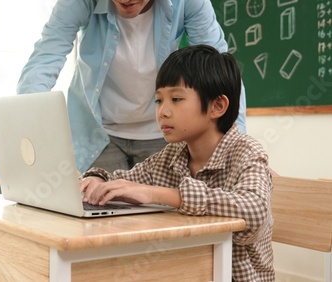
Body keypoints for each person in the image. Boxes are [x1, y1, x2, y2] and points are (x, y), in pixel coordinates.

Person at [79, 45, 274, 281]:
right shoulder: (172, 155)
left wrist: (161, 194)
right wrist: (97, 179)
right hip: (186, 272)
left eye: (176, 99)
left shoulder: (247, 152)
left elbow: (254, 210)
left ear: (217, 106)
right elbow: (123, 182)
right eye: (159, 100)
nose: (163, 112)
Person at [17, 0, 247, 173]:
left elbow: (221, 74)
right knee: (101, 219)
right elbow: (45, 57)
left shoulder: (190, 3)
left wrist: (235, 147)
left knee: (161, 222)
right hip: (98, 134)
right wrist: (34, 133)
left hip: (164, 134)